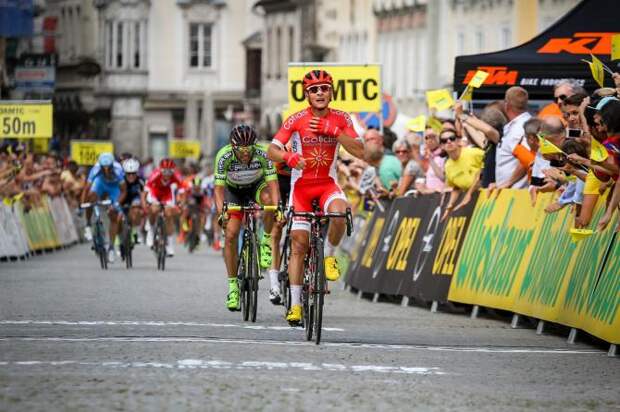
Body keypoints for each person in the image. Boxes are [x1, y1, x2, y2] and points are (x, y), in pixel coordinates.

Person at [267, 69, 364, 325]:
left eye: (324, 88)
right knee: (299, 243)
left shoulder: (341, 117)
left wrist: (333, 131)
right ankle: (296, 305)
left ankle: (330, 255)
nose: (320, 93)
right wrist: (288, 157)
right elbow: (271, 150)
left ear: (331, 91)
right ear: (306, 94)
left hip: (327, 185)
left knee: (341, 211)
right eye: (314, 89)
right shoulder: (296, 119)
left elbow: (360, 150)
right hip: (301, 188)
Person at [214, 124, 279, 311]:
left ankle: (266, 241)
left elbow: (273, 185)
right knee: (231, 234)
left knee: (270, 202)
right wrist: (222, 214)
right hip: (232, 191)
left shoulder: (263, 153)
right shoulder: (223, 155)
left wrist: (278, 209)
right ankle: (233, 286)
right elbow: (218, 190)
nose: (245, 153)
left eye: (248, 149)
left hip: (256, 187)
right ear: (233, 147)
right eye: (241, 150)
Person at [81, 152, 124, 263]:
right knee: (91, 197)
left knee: (114, 215)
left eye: (108, 168)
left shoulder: (118, 170)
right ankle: (88, 224)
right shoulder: (95, 169)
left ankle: (111, 248)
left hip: (114, 188)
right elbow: (87, 189)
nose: (105, 170)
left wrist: (117, 203)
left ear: (112, 165)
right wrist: (82, 205)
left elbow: (124, 190)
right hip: (101, 183)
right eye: (103, 168)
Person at [144, 158, 186, 257]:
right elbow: (145, 192)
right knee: (153, 209)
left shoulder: (176, 176)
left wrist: (181, 204)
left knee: (169, 214)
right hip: (155, 193)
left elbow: (182, 193)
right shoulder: (155, 174)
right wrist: (145, 203)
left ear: (173, 170)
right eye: (164, 171)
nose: (167, 174)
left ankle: (169, 244)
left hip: (167, 194)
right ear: (160, 170)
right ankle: (151, 229)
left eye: (170, 171)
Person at [440, 129, 484, 220]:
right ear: (442, 146)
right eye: (444, 141)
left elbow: (484, 170)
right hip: (474, 201)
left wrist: (469, 194)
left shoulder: (473, 153)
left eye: (452, 138)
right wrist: (450, 205)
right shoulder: (448, 165)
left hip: (489, 194)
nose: (448, 141)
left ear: (458, 141)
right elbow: (456, 187)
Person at [496, 86, 531, 189]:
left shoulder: (521, 127)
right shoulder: (520, 125)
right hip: (509, 192)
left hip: (517, 193)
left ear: (506, 105)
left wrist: (508, 183)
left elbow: (527, 158)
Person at [118, 158, 145, 244]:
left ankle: (134, 231)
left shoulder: (140, 181)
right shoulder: (120, 180)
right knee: (117, 218)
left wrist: (143, 205)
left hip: (134, 198)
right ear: (124, 173)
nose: (131, 176)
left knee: (136, 211)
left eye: (133, 173)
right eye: (128, 174)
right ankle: (118, 238)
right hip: (122, 199)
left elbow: (143, 194)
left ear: (137, 172)